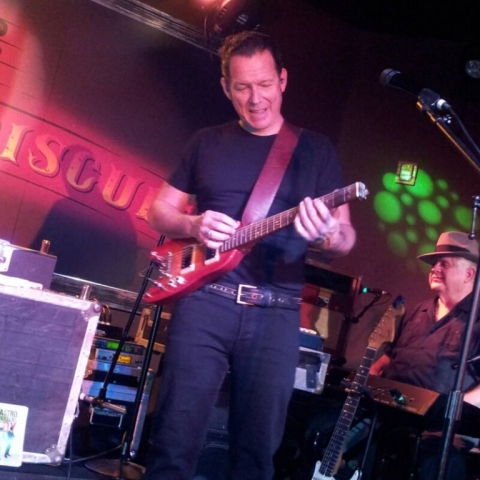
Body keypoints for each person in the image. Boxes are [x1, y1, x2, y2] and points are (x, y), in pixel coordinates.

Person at [142, 30, 356, 480]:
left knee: (256, 456)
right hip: (204, 301)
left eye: (263, 84)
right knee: (173, 443)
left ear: (282, 80)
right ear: (226, 88)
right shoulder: (205, 142)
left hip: (275, 312)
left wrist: (325, 234)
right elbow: (158, 210)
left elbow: (344, 239)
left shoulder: (316, 151)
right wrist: (192, 224)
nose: (255, 98)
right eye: (242, 87)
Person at [368, 230, 480, 480]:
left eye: (444, 264)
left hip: (444, 428)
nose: (434, 269)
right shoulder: (420, 310)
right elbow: (395, 353)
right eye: (433, 264)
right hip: (390, 415)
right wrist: (373, 373)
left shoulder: (477, 319)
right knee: (325, 428)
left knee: (433, 463)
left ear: (469, 274)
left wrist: (452, 408)